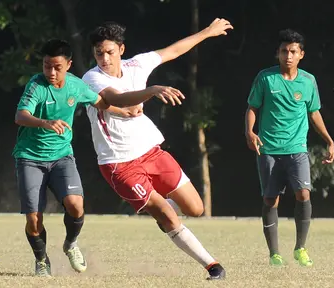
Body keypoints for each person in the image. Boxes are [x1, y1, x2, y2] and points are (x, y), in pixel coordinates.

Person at [13, 39, 183, 277]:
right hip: (30, 158)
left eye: (57, 67)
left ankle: (70, 244)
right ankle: (41, 260)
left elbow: (101, 103)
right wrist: (45, 123)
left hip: (62, 157)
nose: (51, 72)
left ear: (69, 65)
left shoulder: (76, 86)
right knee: (33, 218)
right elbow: (21, 116)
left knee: (76, 205)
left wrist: (123, 112)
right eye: (46, 66)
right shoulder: (37, 85)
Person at [82, 19, 233, 280]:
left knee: (195, 208)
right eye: (99, 53)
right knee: (167, 214)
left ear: (121, 49)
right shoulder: (92, 77)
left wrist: (207, 33)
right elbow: (113, 99)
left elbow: (172, 50)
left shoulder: (136, 65)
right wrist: (150, 90)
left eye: (109, 52)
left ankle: (161, 213)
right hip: (119, 164)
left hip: (151, 152)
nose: (104, 58)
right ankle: (213, 266)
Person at [245, 29, 334, 266]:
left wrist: (328, 139)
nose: (288, 55)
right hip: (269, 149)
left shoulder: (308, 81)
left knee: (303, 194)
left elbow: (313, 112)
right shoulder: (265, 78)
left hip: (297, 149)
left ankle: (300, 248)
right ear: (278, 53)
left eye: (293, 51)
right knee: (270, 200)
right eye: (284, 51)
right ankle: (274, 253)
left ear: (301, 54)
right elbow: (252, 107)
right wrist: (250, 131)